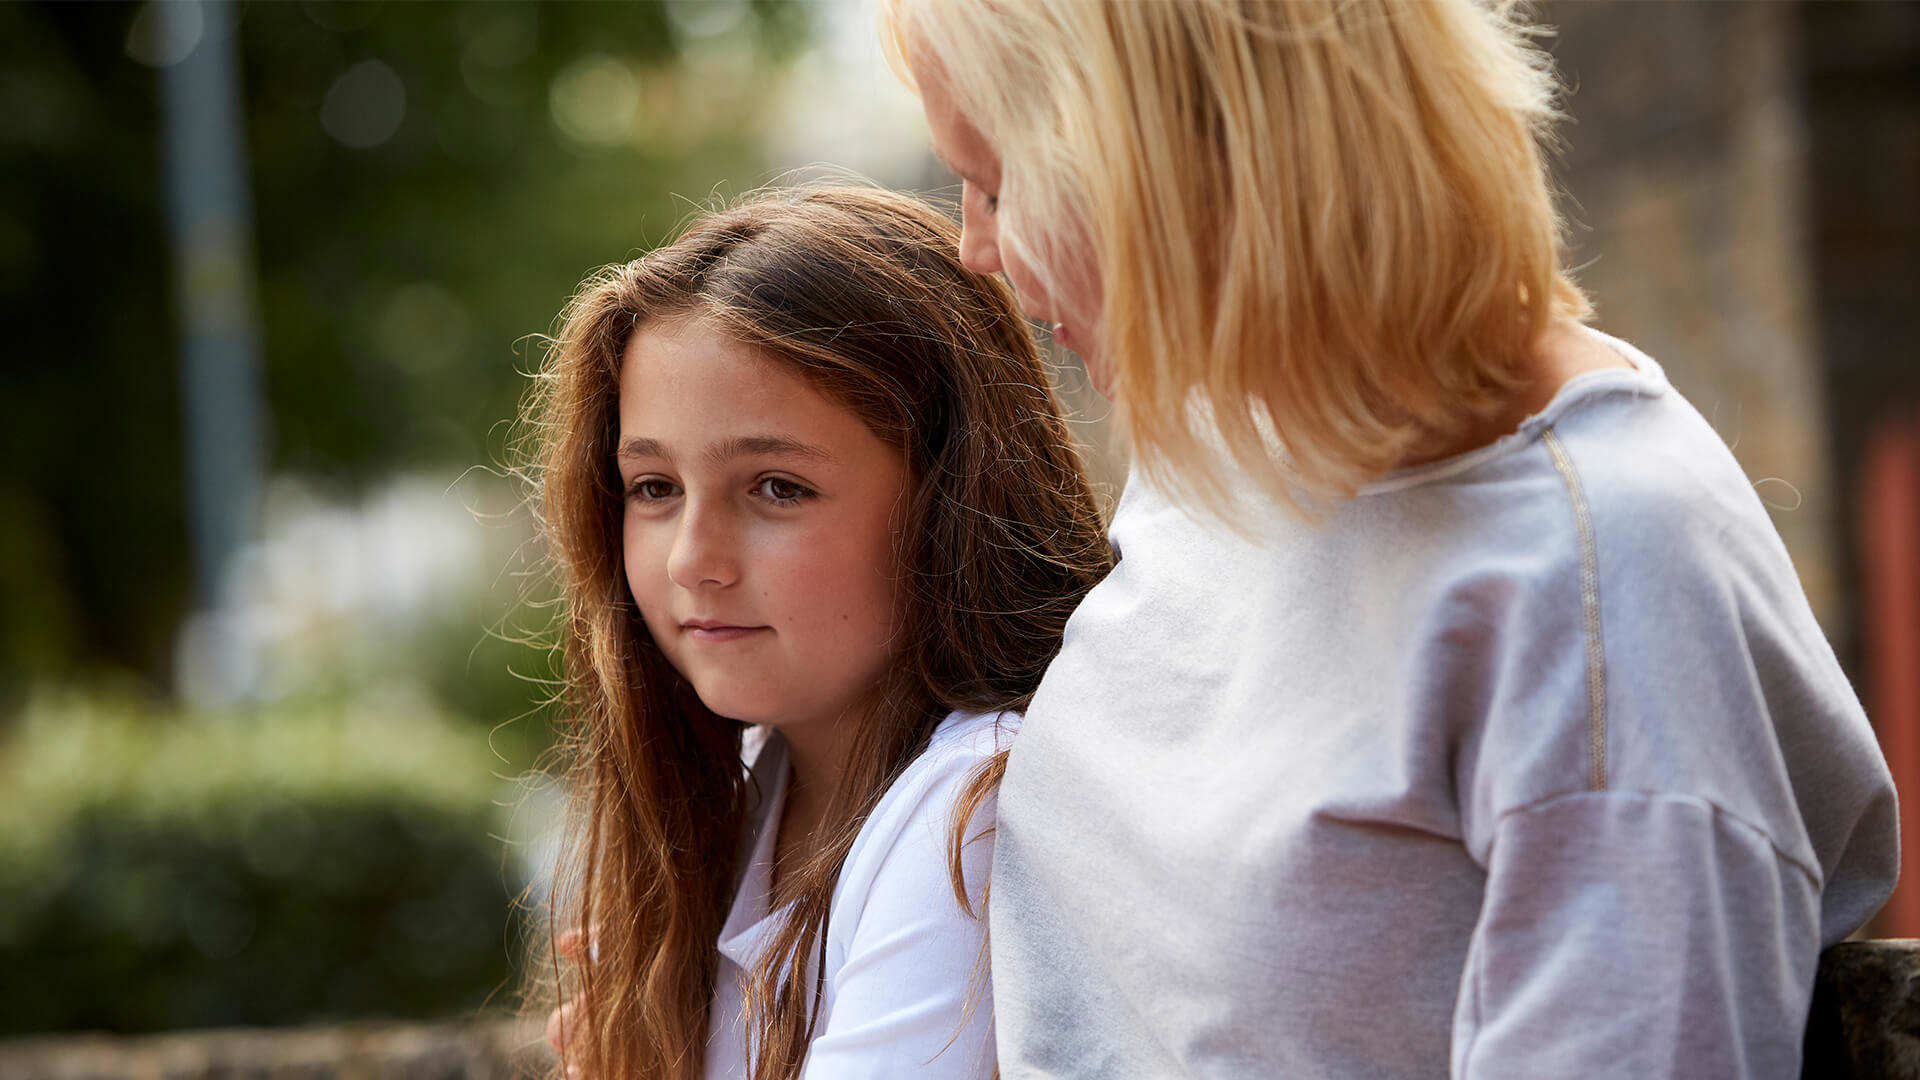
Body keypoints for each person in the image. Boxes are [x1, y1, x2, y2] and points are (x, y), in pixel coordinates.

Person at [882, 0, 1900, 1076]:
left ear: (1181, 164)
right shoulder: (1239, 422)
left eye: (998, 184)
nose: (975, 248)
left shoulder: (1602, 592)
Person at [523, 185, 1109, 1080]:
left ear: (951, 499)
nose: (693, 559)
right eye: (654, 488)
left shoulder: (975, 805)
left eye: (777, 488)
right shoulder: (759, 777)